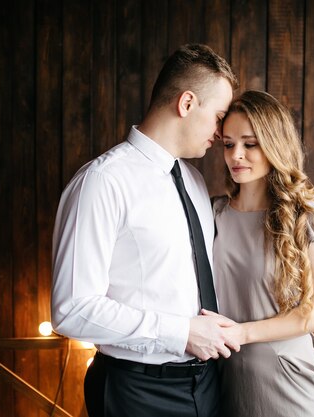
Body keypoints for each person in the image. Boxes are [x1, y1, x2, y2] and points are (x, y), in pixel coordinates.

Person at [50, 44, 240, 417]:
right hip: (136, 392)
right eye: (218, 117)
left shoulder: (195, 183)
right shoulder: (103, 182)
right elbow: (71, 308)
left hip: (209, 384)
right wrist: (180, 332)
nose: (220, 133)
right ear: (186, 104)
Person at [206, 90, 314, 416]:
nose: (236, 155)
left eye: (249, 144)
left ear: (273, 144)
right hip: (227, 377)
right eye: (228, 144)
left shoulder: (307, 218)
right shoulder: (212, 213)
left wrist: (243, 332)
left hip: (287, 378)